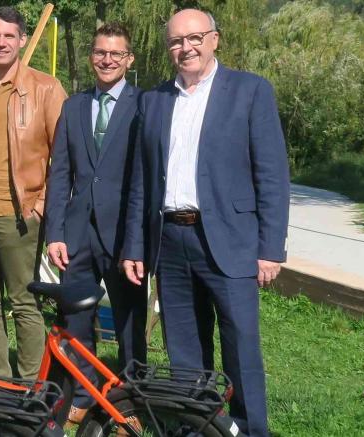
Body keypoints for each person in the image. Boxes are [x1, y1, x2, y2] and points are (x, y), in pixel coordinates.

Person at [120, 9, 289, 437]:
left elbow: (271, 174)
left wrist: (270, 248)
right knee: (184, 350)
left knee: (241, 348)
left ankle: (249, 430)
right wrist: (135, 247)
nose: (185, 48)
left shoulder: (250, 91)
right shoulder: (154, 100)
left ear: (215, 39)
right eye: (176, 41)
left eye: (194, 37)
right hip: (170, 242)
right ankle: (198, 427)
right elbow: (142, 179)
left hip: (229, 242)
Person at [43, 23, 146, 425]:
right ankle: (83, 394)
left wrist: (137, 239)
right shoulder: (73, 106)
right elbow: (60, 174)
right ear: (92, 56)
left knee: (128, 323)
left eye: (116, 54)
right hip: (77, 233)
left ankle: (130, 402)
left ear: (129, 60)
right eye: (101, 52)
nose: (107, 60)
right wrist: (55, 232)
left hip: (124, 234)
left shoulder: (144, 105)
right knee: (76, 319)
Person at [0, 6, 67, 380]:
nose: (0, 42)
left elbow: (63, 157)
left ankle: (32, 385)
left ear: (21, 40)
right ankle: (0, 386)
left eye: (8, 36)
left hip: (18, 214)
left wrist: (39, 205)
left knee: (23, 302)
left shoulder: (46, 88)